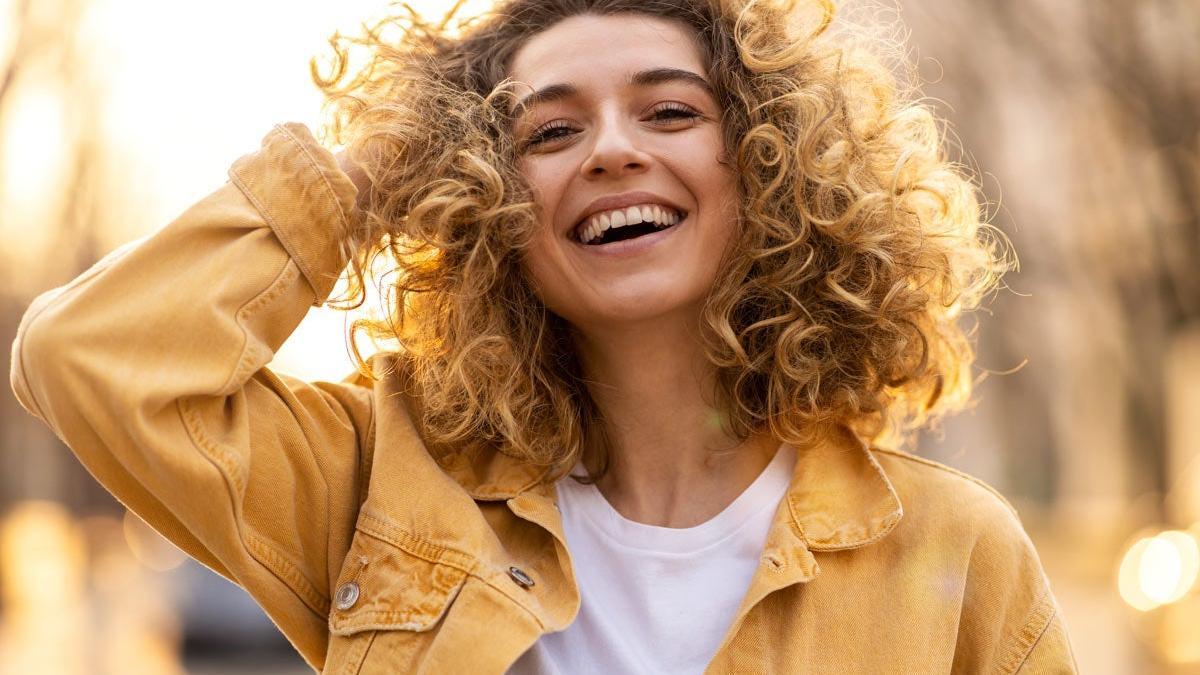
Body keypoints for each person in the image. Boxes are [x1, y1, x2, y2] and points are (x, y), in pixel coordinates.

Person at [8, 0, 1079, 671]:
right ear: (488, 200)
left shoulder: (952, 548)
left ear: (769, 170)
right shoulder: (382, 483)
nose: (611, 150)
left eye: (669, 113)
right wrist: (372, 177)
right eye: (550, 132)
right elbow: (86, 359)